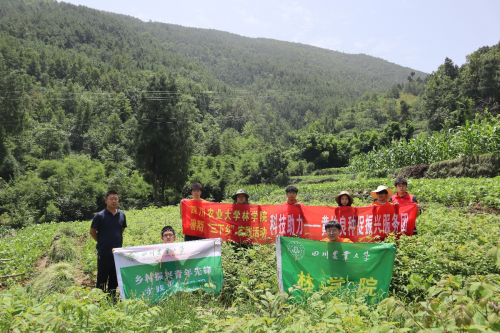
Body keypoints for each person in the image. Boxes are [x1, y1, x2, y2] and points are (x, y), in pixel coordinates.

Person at [89, 190, 127, 297]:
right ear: (106, 201)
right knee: (102, 277)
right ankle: (100, 299)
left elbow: (121, 229)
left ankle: (112, 298)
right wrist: (101, 241)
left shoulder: (122, 215)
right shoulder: (100, 216)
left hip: (117, 252)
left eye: (116, 199)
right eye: (111, 199)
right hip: (104, 252)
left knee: (114, 277)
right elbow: (92, 231)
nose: (114, 201)